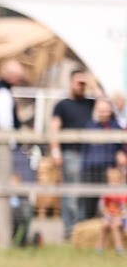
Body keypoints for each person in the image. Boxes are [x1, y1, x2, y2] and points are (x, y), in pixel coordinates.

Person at [51, 68, 97, 240]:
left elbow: (108, 104)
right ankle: (71, 231)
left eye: (84, 83)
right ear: (71, 82)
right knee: (71, 195)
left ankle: (82, 231)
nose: (81, 85)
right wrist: (56, 151)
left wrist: (93, 84)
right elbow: (54, 128)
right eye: (79, 82)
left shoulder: (90, 104)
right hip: (70, 153)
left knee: (85, 194)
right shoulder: (62, 105)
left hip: (89, 156)